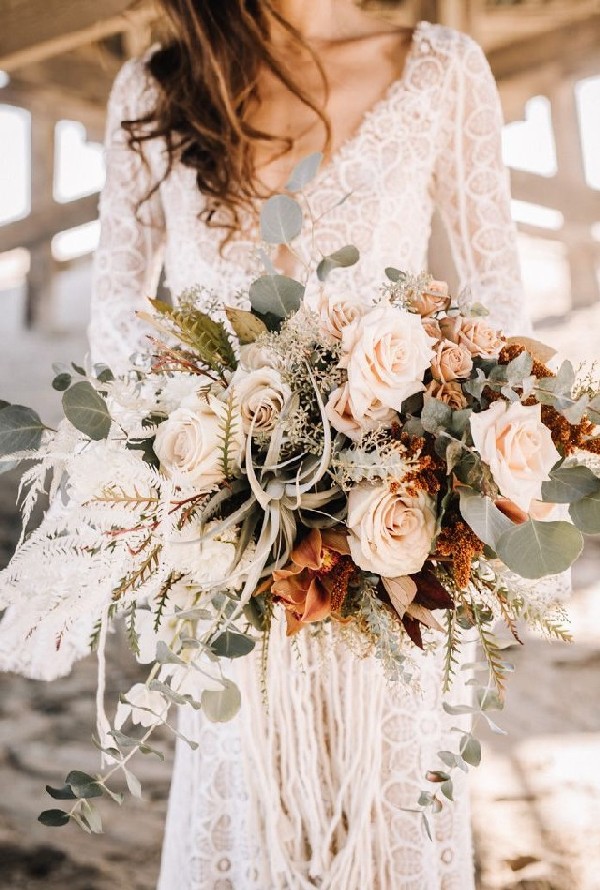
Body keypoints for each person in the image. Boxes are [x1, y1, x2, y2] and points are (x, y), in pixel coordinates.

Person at [17, 0, 533, 887]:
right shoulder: (161, 84)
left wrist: (459, 477)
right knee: (246, 795)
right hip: (227, 553)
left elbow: (497, 308)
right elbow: (117, 329)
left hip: (398, 539)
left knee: (393, 796)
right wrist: (190, 473)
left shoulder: (442, 69)